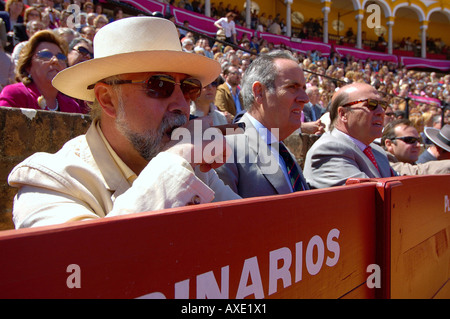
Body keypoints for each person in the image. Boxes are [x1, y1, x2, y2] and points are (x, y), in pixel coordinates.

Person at [8, 16, 240, 229]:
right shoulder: (49, 183)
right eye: (160, 85)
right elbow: (91, 268)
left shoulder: (193, 167)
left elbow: (249, 230)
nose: (181, 103)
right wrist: (175, 158)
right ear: (108, 99)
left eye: (189, 88)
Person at [214, 50, 310, 198]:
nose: (305, 98)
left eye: (304, 88)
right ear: (259, 92)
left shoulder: (283, 152)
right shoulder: (224, 148)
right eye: (292, 87)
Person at [303, 82, 394, 189]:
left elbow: (401, 189)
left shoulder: (377, 151)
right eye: (371, 105)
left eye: (382, 105)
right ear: (343, 114)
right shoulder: (330, 149)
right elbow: (369, 197)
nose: (381, 112)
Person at [0, 30, 83, 113]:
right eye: (45, 55)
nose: (55, 60)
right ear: (28, 66)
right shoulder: (15, 95)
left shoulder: (72, 105)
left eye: (60, 56)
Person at [381, 119, 450, 175]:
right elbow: (416, 171)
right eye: (410, 140)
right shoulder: (381, 163)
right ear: (389, 144)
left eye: (419, 140)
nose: (417, 145)